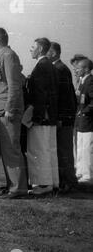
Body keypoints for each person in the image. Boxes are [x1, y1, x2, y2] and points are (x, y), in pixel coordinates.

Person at [0, 27, 28, 198]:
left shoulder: (8, 55)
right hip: (1, 110)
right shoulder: (1, 56)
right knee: (7, 149)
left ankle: (18, 188)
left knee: (12, 148)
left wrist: (10, 108)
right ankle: (13, 185)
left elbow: (14, 85)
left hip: (7, 110)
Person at [25, 37, 59, 195]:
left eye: (32, 47)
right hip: (50, 115)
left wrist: (36, 117)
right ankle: (52, 181)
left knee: (40, 150)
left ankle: (44, 184)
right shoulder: (50, 66)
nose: (30, 49)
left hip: (42, 116)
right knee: (49, 149)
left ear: (40, 49)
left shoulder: (41, 67)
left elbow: (40, 95)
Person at [47, 42, 78, 193]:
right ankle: (66, 181)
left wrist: (60, 117)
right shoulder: (60, 68)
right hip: (64, 117)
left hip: (63, 118)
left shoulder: (59, 69)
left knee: (63, 150)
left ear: (53, 53)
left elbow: (64, 97)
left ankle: (68, 182)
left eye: (47, 51)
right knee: (62, 150)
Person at [74, 57, 93, 184]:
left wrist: (84, 111)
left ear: (86, 69)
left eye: (79, 68)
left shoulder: (90, 82)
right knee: (80, 147)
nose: (76, 70)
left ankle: (87, 175)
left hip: (88, 121)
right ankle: (81, 172)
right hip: (81, 121)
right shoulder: (82, 81)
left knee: (86, 148)